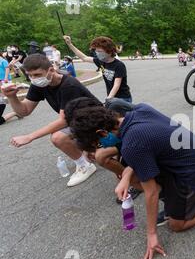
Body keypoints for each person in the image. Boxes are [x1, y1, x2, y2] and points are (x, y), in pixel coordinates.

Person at [67, 102, 195, 259]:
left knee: (177, 226)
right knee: (135, 176)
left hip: (193, 171)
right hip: (184, 157)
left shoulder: (132, 144)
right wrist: (125, 176)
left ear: (102, 133)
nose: (100, 148)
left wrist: (151, 235)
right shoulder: (138, 110)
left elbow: (151, 191)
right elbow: (146, 148)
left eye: (97, 144)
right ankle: (174, 203)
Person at [0, 54, 98, 187]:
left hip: (96, 120)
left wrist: (30, 137)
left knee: (58, 137)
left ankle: (85, 165)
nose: (34, 79)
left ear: (51, 70)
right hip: (78, 121)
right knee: (62, 134)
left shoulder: (68, 85)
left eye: (37, 74)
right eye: (30, 75)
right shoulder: (40, 84)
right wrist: (12, 97)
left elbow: (63, 121)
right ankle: (90, 148)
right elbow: (24, 111)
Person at [64, 97, 141, 203]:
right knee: (100, 154)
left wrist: (127, 174)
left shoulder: (115, 109)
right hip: (128, 141)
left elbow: (134, 139)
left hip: (140, 140)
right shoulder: (99, 121)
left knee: (102, 155)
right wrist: (89, 148)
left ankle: (136, 180)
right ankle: (132, 179)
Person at [64, 35, 133, 103]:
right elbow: (84, 58)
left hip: (123, 99)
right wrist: (70, 44)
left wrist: (109, 98)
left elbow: (116, 85)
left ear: (109, 51)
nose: (97, 53)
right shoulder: (101, 62)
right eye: (96, 51)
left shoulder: (119, 65)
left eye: (100, 51)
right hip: (112, 98)